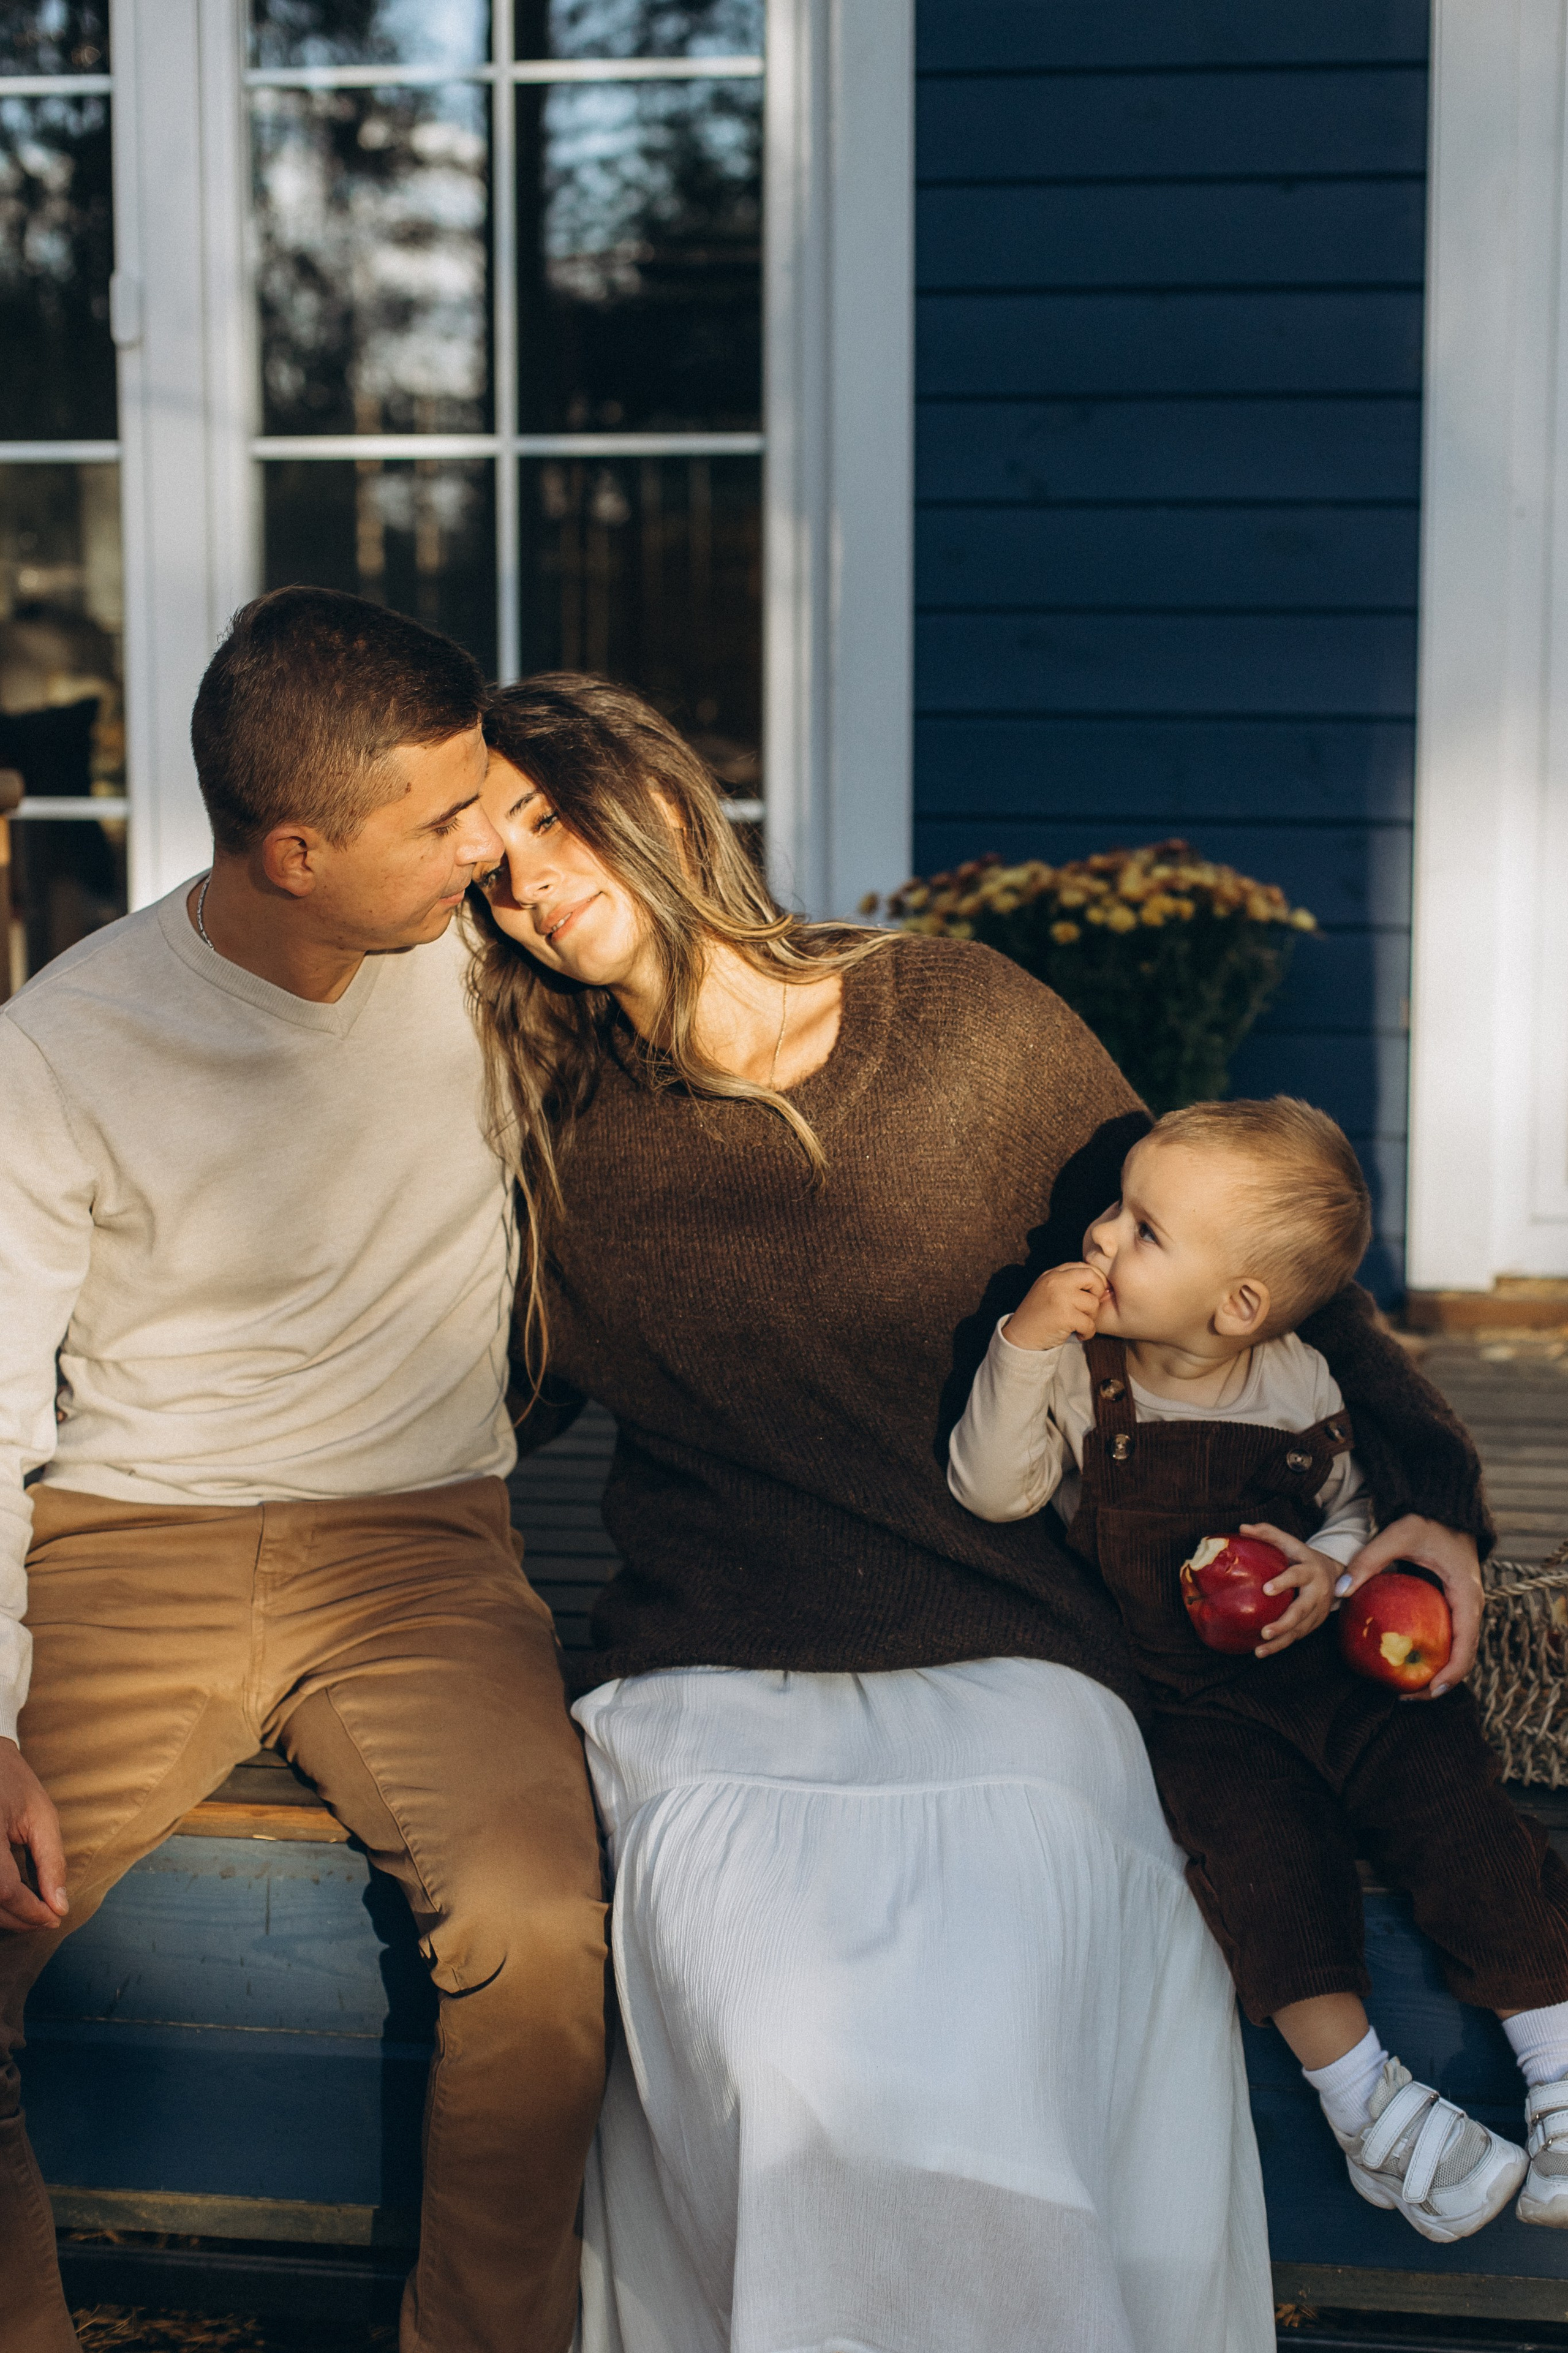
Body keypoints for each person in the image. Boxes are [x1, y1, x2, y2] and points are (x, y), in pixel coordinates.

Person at [467, 670, 1493, 2353]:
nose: (528, 879)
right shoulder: (548, 1128)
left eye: (550, 820)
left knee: (987, 2024)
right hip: (710, 1678)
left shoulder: (960, 1022)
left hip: (1017, 1642)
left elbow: (1257, 1266)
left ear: (659, 800)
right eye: (489, 862)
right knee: (785, 2049)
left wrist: (1435, 1499)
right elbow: (468, 1397)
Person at [0, 590, 607, 2353]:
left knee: (540, 1933)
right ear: (295, 850)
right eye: (442, 820)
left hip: (421, 1545)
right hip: (124, 1546)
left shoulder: (488, 952)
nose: (486, 844)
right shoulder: (63, 1045)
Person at [948, 1096, 1568, 2245]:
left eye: (1143, 1229)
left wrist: (1329, 1575)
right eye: (1114, 1209)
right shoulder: (1082, 1377)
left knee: (1452, 1799)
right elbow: (993, 1485)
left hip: (1333, 1669)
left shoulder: (1303, 1383)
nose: (1098, 1237)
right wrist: (1024, 1341)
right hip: (1192, 1704)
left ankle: (1556, 2050)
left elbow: (1352, 1511)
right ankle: (1369, 2105)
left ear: (1240, 1307)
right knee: (1260, 1862)